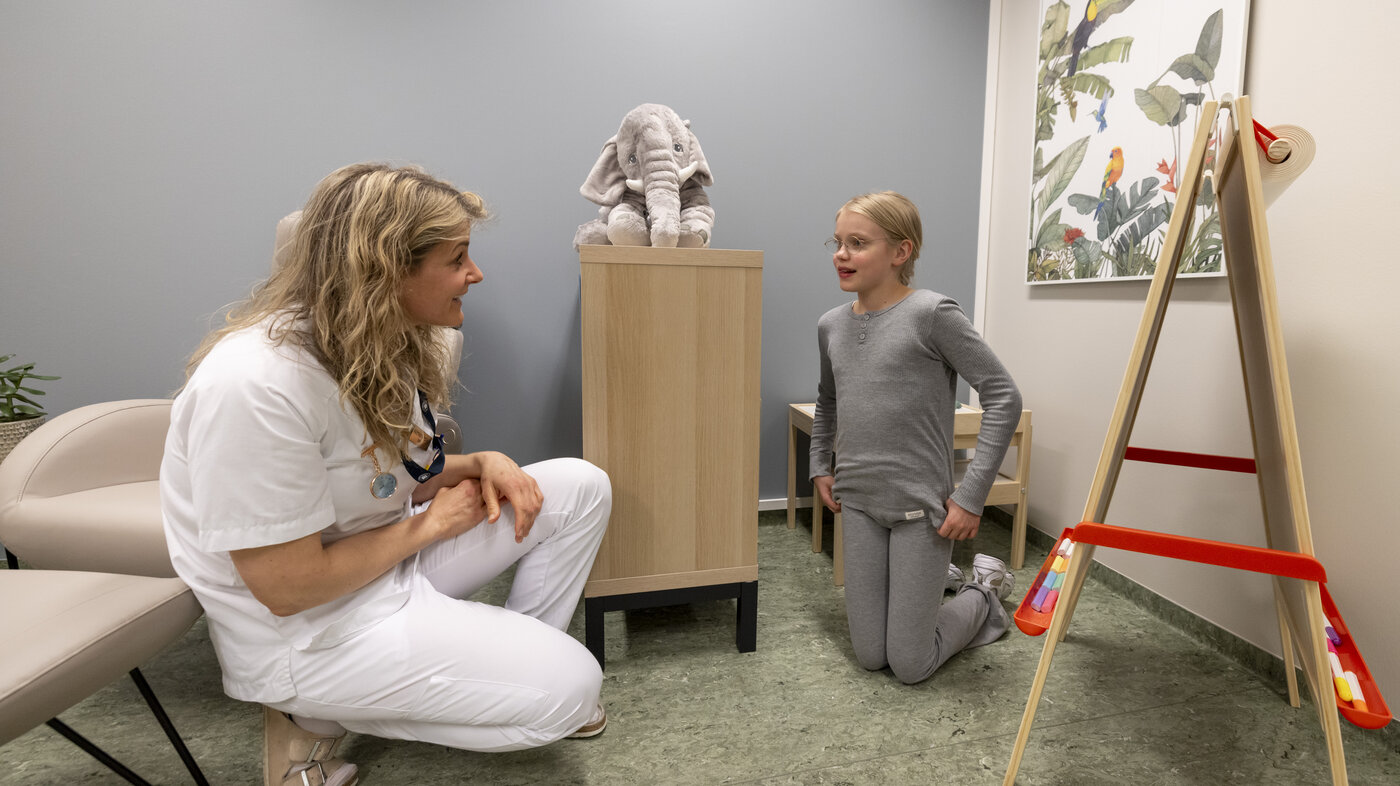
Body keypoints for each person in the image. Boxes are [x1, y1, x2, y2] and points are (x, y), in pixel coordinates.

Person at [160, 163, 612, 786]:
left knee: (581, 485)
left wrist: (482, 463)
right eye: (457, 260)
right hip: (308, 632)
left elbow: (395, 477)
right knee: (572, 690)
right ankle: (311, 714)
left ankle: (491, 670)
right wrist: (427, 532)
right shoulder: (255, 385)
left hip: (381, 568)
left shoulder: (374, 343)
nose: (474, 275)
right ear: (384, 269)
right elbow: (285, 586)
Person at [809, 191, 1022, 685]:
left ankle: (983, 593)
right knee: (869, 656)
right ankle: (931, 583)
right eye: (837, 242)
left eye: (857, 243)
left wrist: (971, 498)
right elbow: (829, 399)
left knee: (910, 663)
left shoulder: (933, 315)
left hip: (923, 511)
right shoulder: (830, 326)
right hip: (859, 503)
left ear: (901, 252)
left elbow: (1002, 396)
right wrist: (821, 464)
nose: (841, 254)